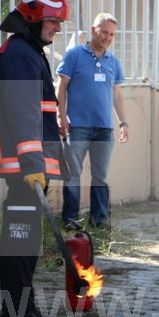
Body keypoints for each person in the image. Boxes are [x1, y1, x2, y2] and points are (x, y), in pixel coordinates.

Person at [0, 0, 71, 317]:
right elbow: (23, 115)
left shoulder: (26, 51)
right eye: (53, 21)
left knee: (24, 242)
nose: (57, 28)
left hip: (28, 166)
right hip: (26, 168)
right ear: (35, 17)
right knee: (20, 243)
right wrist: (33, 166)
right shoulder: (20, 55)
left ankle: (23, 312)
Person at [56, 12, 128, 230]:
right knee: (73, 175)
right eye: (104, 32)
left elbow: (116, 94)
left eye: (111, 34)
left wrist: (123, 122)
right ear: (93, 30)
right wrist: (61, 116)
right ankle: (70, 220)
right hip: (77, 126)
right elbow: (61, 88)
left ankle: (99, 221)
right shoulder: (74, 55)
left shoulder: (113, 62)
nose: (107, 37)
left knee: (100, 176)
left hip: (104, 129)